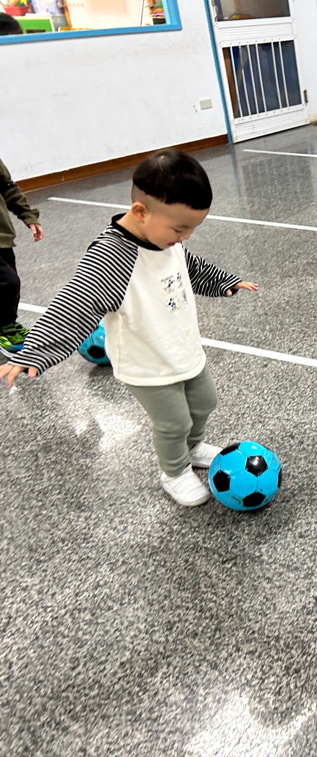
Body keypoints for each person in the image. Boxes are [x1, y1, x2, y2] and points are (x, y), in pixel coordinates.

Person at [0, 149, 259, 507]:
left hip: (182, 348)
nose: (186, 237)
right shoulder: (112, 257)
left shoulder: (165, 240)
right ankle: (174, 472)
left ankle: (193, 447)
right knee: (173, 422)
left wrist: (224, 282)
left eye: (193, 228)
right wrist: (34, 352)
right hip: (146, 362)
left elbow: (191, 267)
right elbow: (75, 305)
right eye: (180, 228)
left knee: (204, 402)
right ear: (140, 211)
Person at [0, 157, 43, 356]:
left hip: (2, 237)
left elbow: (7, 187)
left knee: (10, 286)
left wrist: (28, 216)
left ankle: (9, 325)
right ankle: (4, 329)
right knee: (8, 282)